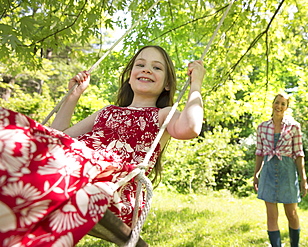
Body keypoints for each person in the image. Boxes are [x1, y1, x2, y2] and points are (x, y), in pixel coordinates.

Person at [0, 45, 206, 246]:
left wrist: (195, 84)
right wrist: (74, 95)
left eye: (157, 67)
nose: (146, 70)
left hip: (114, 183)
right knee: (12, 129)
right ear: (130, 75)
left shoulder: (163, 115)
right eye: (140, 64)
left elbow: (190, 128)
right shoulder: (107, 111)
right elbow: (58, 138)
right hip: (74, 162)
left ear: (167, 84)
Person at [253, 93, 308, 247]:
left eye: (283, 104)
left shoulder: (294, 126)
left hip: (287, 173)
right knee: (271, 216)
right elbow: (259, 153)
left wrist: (303, 179)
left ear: (287, 107)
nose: (279, 106)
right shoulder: (262, 127)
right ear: (273, 104)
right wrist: (256, 174)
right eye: (277, 103)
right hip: (268, 173)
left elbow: (299, 154)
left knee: (292, 214)